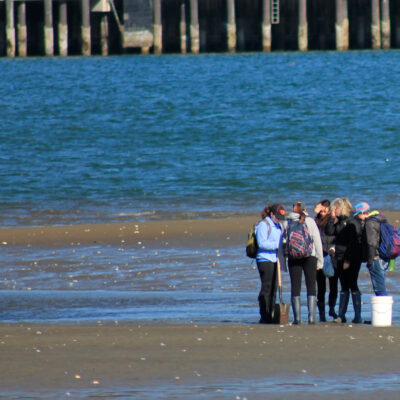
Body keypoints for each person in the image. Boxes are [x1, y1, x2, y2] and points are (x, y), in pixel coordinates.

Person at [284, 201, 323, 324]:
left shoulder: (286, 222)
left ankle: (297, 319)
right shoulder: (310, 221)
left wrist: (283, 262)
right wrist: (320, 261)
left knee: (295, 287)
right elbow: (317, 241)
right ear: (305, 209)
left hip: (293, 257)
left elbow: (282, 244)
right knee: (311, 286)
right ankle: (311, 318)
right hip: (309, 257)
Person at [326, 198, 364, 323]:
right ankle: (341, 314)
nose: (333, 211)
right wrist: (331, 217)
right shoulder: (339, 221)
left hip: (351, 258)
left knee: (352, 284)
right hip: (339, 258)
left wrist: (348, 260)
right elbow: (330, 231)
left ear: (340, 208)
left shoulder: (352, 222)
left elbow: (354, 243)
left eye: (334, 209)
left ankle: (357, 315)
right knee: (343, 286)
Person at [255, 203, 286, 324]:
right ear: (271, 214)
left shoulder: (278, 226)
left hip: (276, 259)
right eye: (277, 216)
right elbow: (261, 243)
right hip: (264, 259)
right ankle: (264, 315)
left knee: (274, 288)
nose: (279, 219)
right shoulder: (264, 225)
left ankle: (272, 313)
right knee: (267, 287)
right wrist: (277, 246)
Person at [314, 199, 337, 321]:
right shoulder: (315, 220)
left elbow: (332, 232)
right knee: (321, 286)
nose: (322, 212)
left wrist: (331, 216)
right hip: (319, 255)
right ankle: (322, 312)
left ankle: (332, 309)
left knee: (333, 284)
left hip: (331, 254)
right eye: (320, 209)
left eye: (324, 209)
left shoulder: (332, 219)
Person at [362, 207, 389, 296]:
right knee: (381, 284)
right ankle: (384, 308)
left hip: (376, 257)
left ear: (364, 213)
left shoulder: (370, 223)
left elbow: (371, 243)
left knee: (379, 288)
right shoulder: (382, 220)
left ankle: (383, 309)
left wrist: (370, 260)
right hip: (385, 257)